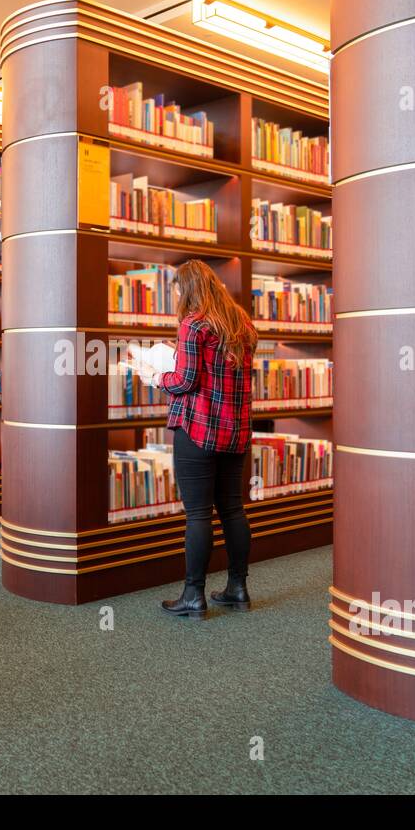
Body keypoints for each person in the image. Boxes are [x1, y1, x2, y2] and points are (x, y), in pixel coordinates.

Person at [138, 260, 256, 618]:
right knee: (233, 509)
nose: (175, 295)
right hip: (235, 431)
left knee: (198, 515)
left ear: (186, 289)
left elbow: (186, 380)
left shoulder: (194, 324)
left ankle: (193, 595)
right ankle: (238, 587)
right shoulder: (242, 324)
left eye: (176, 289)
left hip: (199, 429)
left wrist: (157, 377)